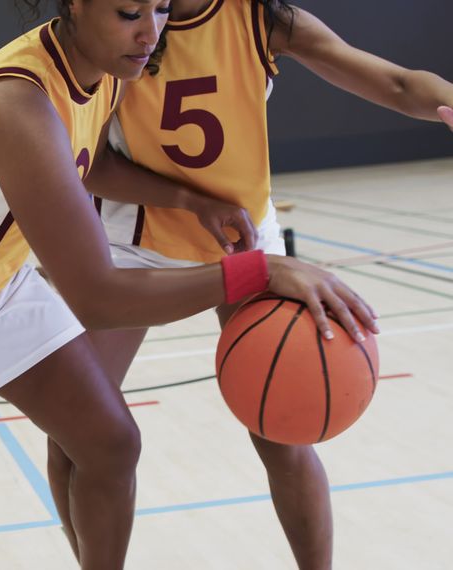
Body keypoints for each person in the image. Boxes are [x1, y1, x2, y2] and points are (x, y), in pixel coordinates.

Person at [0, 1, 376, 567]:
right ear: (75, 5)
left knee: (110, 443)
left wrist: (187, 197)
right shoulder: (19, 98)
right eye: (129, 14)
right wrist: (263, 269)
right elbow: (98, 296)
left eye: (161, 9)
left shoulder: (105, 70)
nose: (150, 33)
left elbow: (83, 161)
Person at [57, 1, 453, 567]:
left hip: (241, 230)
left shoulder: (261, 17)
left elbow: (396, 83)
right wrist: (191, 199)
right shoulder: (122, 20)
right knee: (76, 432)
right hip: (138, 232)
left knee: (285, 428)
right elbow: (86, 163)